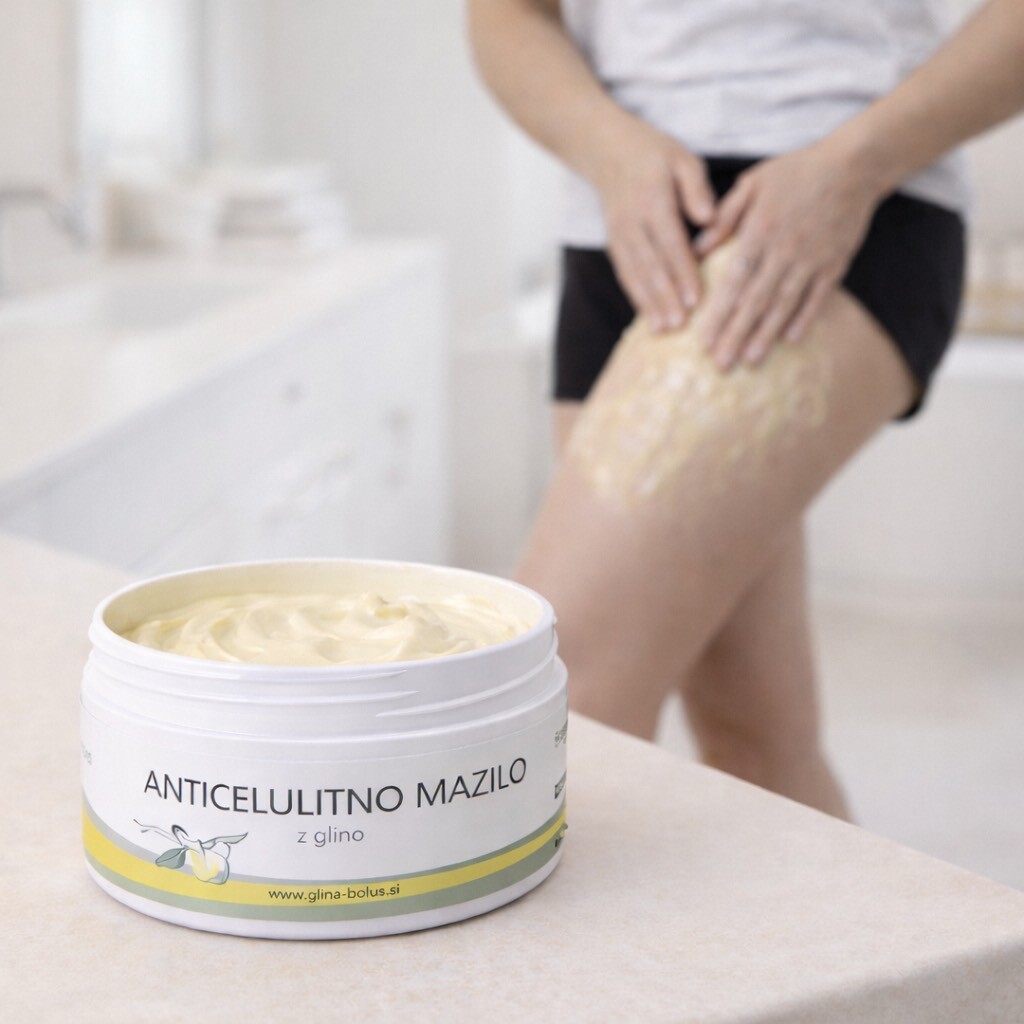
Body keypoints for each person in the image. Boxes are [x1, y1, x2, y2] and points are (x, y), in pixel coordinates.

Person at [467, 0, 1024, 818]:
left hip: (831, 200)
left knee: (559, 701)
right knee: (757, 742)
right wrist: (609, 149)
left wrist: (858, 163)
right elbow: (509, 14)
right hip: (618, 216)